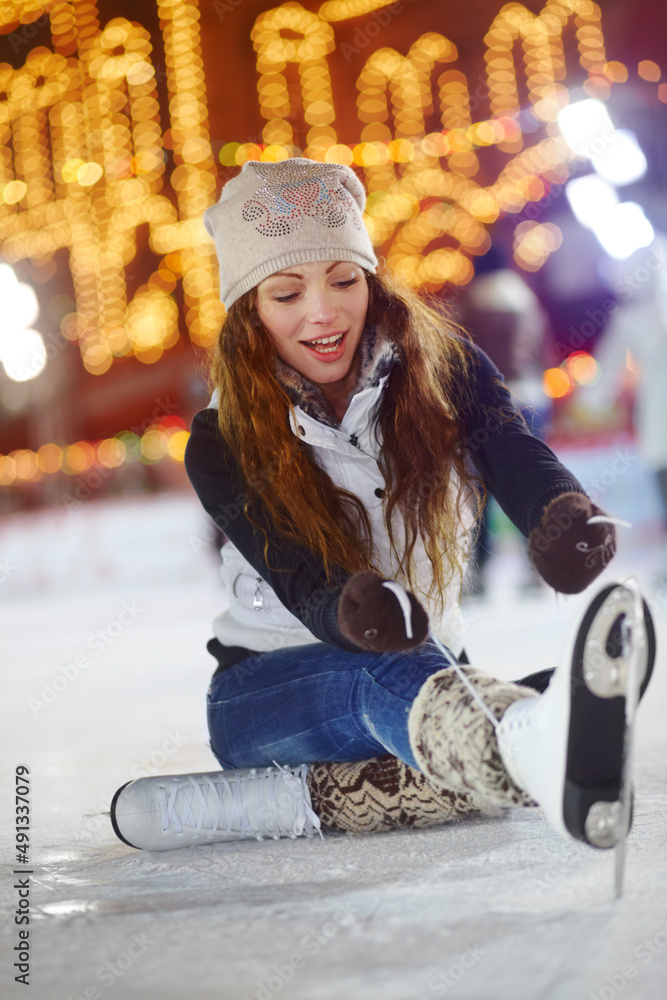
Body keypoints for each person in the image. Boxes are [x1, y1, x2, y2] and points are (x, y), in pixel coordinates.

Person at [110, 159, 654, 855]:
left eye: (343, 280)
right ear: (249, 311)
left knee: (467, 687)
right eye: (286, 293)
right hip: (269, 694)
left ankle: (528, 737)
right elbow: (292, 565)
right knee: (385, 672)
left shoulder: (443, 368)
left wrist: (556, 515)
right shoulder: (223, 440)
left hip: (428, 670)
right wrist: (346, 606)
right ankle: (528, 746)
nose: (323, 312)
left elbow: (511, 450)